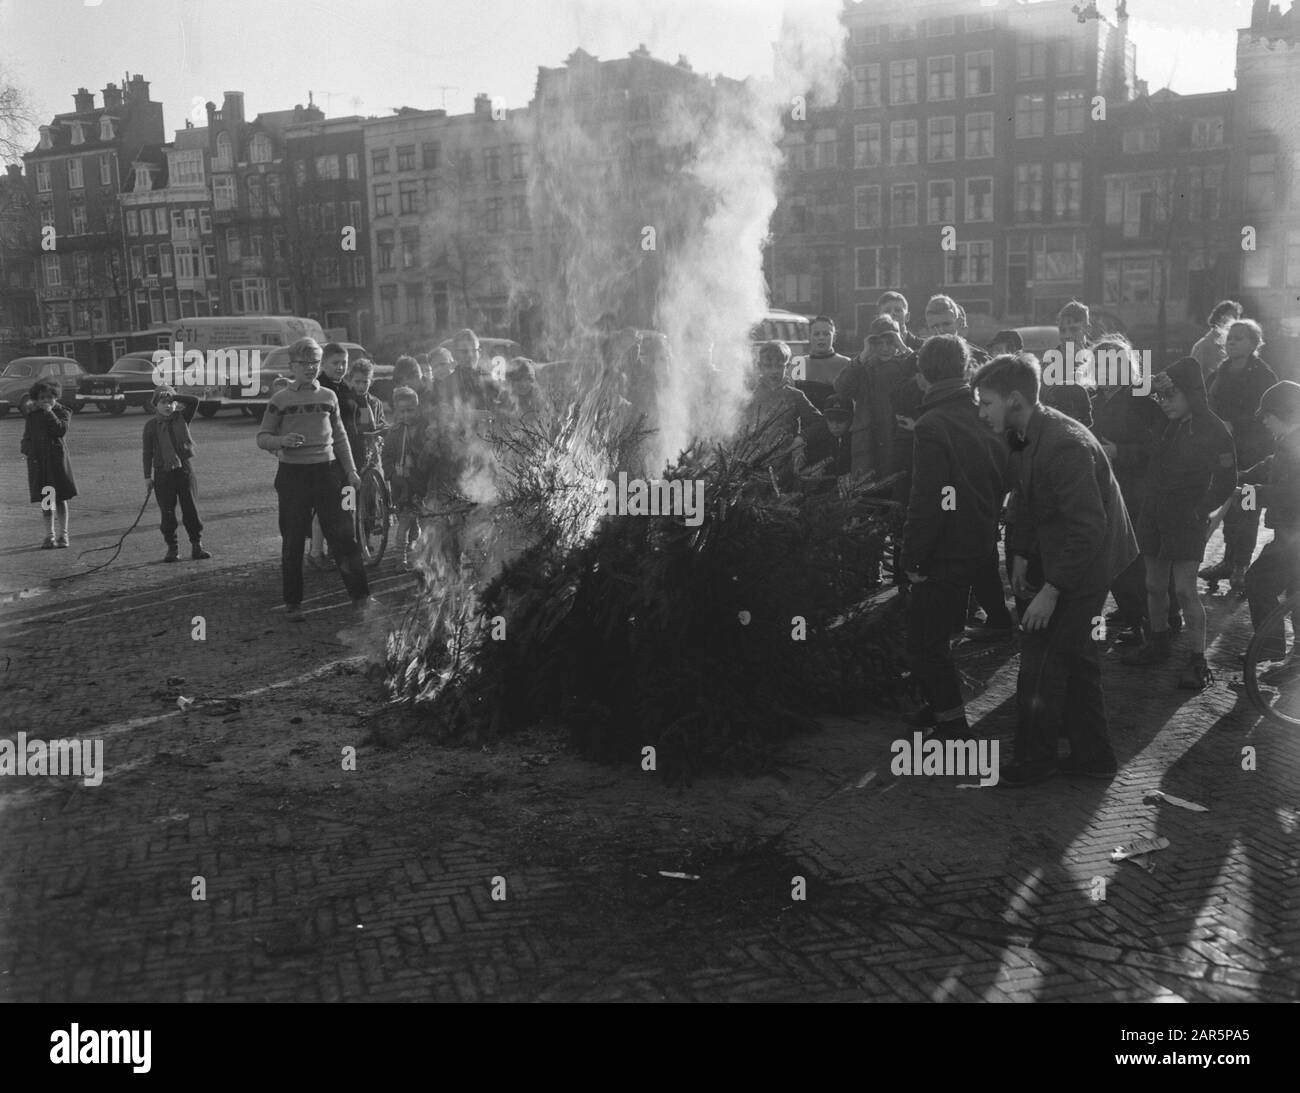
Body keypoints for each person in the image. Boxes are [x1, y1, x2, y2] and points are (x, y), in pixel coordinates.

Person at [975, 352, 1137, 785]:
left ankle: (1034, 761)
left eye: (986, 402)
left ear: (1013, 400)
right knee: (1078, 659)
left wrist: (1052, 589)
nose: (980, 411)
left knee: (1041, 660)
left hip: (1089, 559)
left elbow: (1088, 529)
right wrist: (1024, 553)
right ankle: (1095, 758)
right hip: (1071, 553)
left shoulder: (1064, 444)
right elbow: (1025, 496)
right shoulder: (1027, 432)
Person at [901, 336, 1010, 739]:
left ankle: (952, 724)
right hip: (978, 539)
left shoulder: (932, 425)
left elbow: (926, 498)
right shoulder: (979, 413)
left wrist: (913, 557)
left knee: (924, 642)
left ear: (923, 375)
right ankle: (937, 704)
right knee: (945, 631)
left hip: (944, 548)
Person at [1120, 358, 1236, 689]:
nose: (1164, 402)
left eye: (1171, 395)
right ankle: (1158, 642)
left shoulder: (1214, 429)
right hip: (1154, 514)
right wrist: (1153, 384)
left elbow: (1228, 480)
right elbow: (1136, 397)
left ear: (1191, 394)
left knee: (1185, 591)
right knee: (1154, 586)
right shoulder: (1166, 421)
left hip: (1186, 519)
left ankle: (1197, 661)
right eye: (1162, 396)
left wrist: (1201, 510)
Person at [256, 337, 371, 621]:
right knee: (293, 541)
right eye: (304, 363)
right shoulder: (280, 400)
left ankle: (361, 598)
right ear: (292, 366)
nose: (310, 368)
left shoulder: (329, 397)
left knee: (345, 538)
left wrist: (351, 471)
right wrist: (282, 441)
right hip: (293, 476)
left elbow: (340, 436)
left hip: (328, 473)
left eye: (314, 363)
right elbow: (262, 438)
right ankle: (293, 603)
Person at [1088, 336, 1166, 641]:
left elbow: (1159, 446)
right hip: (1106, 488)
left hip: (1136, 489)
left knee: (1132, 557)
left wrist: (1121, 452)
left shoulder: (1141, 400)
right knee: (1115, 553)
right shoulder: (1094, 400)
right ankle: (1132, 611)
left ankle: (1146, 621)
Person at [1200, 319, 1278, 592]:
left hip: (1252, 455)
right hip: (1224, 451)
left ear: (1254, 344)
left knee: (1247, 507)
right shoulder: (1220, 371)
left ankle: (1241, 566)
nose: (1232, 342)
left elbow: (1270, 412)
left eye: (1239, 338)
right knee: (1229, 507)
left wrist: (1236, 424)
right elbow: (1206, 402)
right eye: (1230, 338)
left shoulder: (1262, 374)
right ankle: (1228, 561)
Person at [1240, 381, 1300, 680]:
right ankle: (1294, 657)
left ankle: (1271, 646)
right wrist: (1245, 476)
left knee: (1258, 580)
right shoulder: (1288, 438)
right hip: (1289, 532)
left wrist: (1255, 492)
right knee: (1295, 591)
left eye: (1268, 413)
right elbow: (1271, 465)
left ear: (1285, 412)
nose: (1263, 419)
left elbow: (1293, 491)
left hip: (1295, 534)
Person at [833, 315, 912, 480]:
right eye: (878, 343)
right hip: (867, 437)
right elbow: (842, 388)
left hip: (896, 434)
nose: (884, 348)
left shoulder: (906, 365)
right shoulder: (863, 367)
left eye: (890, 342)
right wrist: (863, 355)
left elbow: (923, 373)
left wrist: (903, 348)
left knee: (896, 483)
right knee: (864, 486)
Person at [142, 386, 210, 562]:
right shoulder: (150, 426)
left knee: (191, 511)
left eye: (171, 402)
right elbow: (147, 452)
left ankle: (197, 545)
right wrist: (147, 477)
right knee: (167, 513)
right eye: (163, 402)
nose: (167, 406)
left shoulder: (182, 418)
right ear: (155, 405)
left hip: (184, 471)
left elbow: (194, 401)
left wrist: (173, 395)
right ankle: (172, 548)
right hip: (162, 473)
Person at [308, 342, 356, 569]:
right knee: (324, 509)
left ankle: (344, 550)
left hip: (349, 458)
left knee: (348, 505)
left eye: (343, 363)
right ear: (323, 364)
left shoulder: (346, 388)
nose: (340, 367)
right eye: (335, 363)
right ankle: (317, 553)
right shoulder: (318, 389)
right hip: (326, 459)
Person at [742, 341, 823, 466]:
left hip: (785, 463)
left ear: (788, 365)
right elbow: (738, 425)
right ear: (760, 366)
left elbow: (819, 422)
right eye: (768, 366)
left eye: (779, 366)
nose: (774, 371)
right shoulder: (750, 395)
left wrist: (801, 438)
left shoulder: (795, 395)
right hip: (752, 462)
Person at [21, 380, 77, 549]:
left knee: (60, 499)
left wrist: (50, 413)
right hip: (40, 464)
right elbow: (26, 438)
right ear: (36, 399)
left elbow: (60, 430)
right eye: (42, 397)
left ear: (56, 397)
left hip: (57, 464)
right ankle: (49, 535)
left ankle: (63, 535)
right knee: (46, 500)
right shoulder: (32, 416)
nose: (46, 400)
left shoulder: (63, 412)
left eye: (50, 397)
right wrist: (29, 450)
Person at [382, 386, 431, 569]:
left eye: (410, 410)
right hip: (402, 483)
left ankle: (414, 551)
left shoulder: (425, 430)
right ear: (396, 412)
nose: (406, 415)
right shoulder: (394, 433)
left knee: (419, 520)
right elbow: (386, 457)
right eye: (402, 411)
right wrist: (392, 474)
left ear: (417, 408)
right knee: (404, 521)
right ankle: (400, 556)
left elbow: (430, 454)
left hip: (420, 481)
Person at [1041, 300, 1094, 428]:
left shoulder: (1099, 358)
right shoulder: (1050, 362)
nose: (1067, 335)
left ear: (1087, 329)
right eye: (1062, 330)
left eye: (1074, 329)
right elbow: (1044, 401)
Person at [794, 393, 853, 493]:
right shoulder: (820, 429)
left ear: (851, 419)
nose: (835, 425)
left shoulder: (856, 436)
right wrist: (799, 459)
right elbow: (799, 440)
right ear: (825, 419)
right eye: (831, 420)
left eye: (841, 420)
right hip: (821, 489)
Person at [791, 315, 851, 408]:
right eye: (816, 334)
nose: (821, 338)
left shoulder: (846, 364)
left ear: (834, 337)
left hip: (837, 420)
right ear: (809, 337)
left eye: (826, 334)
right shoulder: (798, 365)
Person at [344, 358, 388, 470]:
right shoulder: (345, 401)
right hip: (351, 453)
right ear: (349, 380)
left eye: (365, 382)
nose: (361, 386)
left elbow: (381, 424)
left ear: (371, 382)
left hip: (371, 454)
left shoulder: (375, 402)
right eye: (357, 382)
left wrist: (382, 430)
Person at [1189, 299, 1244, 382]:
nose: (1236, 322)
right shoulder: (1203, 345)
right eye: (1232, 317)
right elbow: (1193, 379)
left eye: (1237, 318)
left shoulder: (1237, 346)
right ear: (1219, 318)